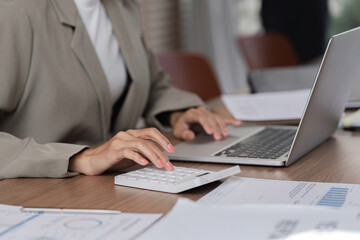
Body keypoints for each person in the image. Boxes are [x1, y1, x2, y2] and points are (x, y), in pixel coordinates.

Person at [0, 0, 240, 180]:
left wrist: (178, 113)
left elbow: (152, 84)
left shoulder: (124, 6)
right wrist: (80, 158)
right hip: (35, 192)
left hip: (111, 184)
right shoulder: (13, 11)